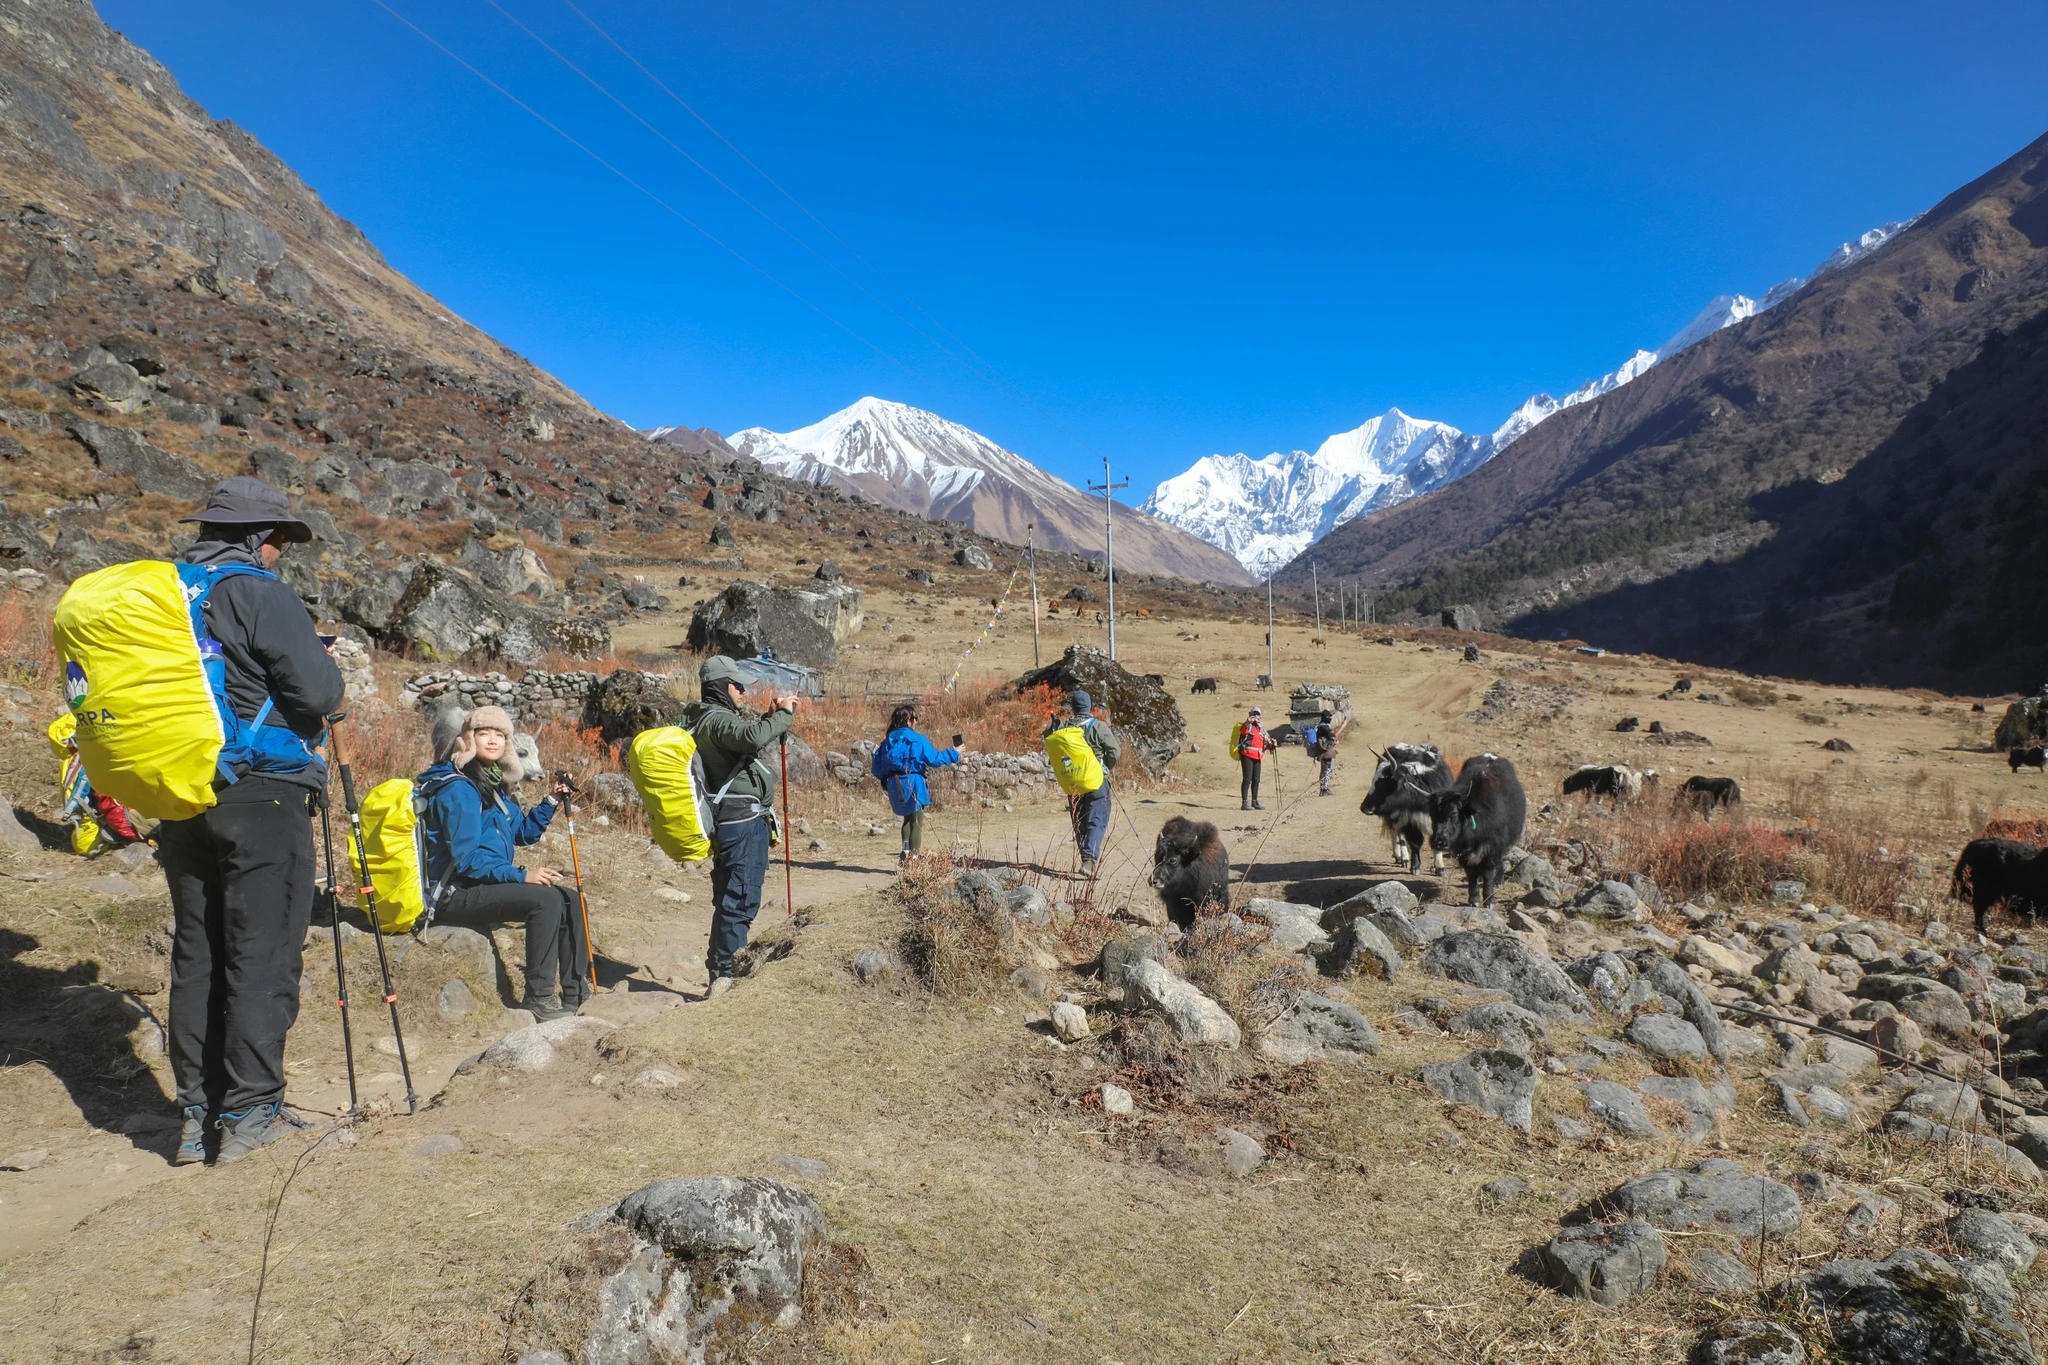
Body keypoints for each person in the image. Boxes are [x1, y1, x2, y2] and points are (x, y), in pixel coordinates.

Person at [156, 477, 346, 1167]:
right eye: (280, 539)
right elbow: (321, 694)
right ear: (258, 535)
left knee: (198, 953)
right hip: (262, 790)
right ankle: (251, 1114)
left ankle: (196, 1118)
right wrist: (324, 662)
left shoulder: (168, 594)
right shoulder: (259, 591)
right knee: (261, 951)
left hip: (182, 793)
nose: (280, 552)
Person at [416, 706, 585, 1021]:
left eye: (500, 734)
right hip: (453, 892)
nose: (493, 740)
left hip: (481, 883)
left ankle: (576, 993)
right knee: (546, 900)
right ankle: (539, 998)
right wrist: (521, 875)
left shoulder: (492, 784)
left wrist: (550, 801)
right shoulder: (459, 788)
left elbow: (522, 833)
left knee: (569, 898)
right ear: (468, 739)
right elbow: (466, 860)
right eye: (484, 733)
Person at [681, 655, 800, 998]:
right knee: (740, 900)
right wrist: (783, 715)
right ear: (721, 687)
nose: (743, 691)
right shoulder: (717, 720)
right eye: (737, 685)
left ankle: (720, 971)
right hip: (742, 824)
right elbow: (749, 739)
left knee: (730, 899)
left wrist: (770, 719)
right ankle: (727, 978)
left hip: (734, 822)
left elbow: (741, 741)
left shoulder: (706, 719)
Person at [869, 702, 962, 861]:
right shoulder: (917, 740)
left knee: (906, 818)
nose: (917, 721)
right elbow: (934, 759)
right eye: (915, 718)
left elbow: (876, 768)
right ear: (908, 720)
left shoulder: (886, 743)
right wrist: (955, 753)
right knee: (917, 821)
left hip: (894, 783)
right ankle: (914, 858)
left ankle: (905, 851)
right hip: (914, 782)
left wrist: (886, 779)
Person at [1044, 689, 1120, 875]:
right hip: (1096, 782)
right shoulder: (1098, 727)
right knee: (1097, 819)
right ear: (1089, 706)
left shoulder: (1063, 729)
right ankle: (1089, 860)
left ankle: (1086, 858)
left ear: (1073, 708)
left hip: (1073, 784)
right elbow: (1115, 752)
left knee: (1080, 821)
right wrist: (1105, 767)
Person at [1230, 706, 1269, 810]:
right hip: (1247, 754)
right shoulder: (1248, 726)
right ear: (1250, 714)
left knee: (1256, 779)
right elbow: (1243, 731)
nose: (1256, 716)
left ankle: (1255, 802)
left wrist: (1271, 745)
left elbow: (1265, 741)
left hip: (1257, 755)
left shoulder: (1260, 728)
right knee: (1247, 779)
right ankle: (1244, 803)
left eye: (1258, 714)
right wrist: (1247, 722)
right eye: (1254, 713)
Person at [1302, 709, 1338, 796]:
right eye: (1329, 717)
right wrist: (1337, 733)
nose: (1330, 718)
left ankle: (1324, 788)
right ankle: (1324, 789)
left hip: (1325, 752)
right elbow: (1332, 734)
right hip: (1325, 753)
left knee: (1326, 770)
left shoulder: (1320, 727)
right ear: (1325, 717)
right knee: (1326, 770)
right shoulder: (1323, 727)